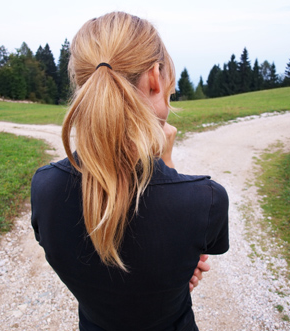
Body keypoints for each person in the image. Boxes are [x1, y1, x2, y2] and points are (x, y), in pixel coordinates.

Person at [31, 11, 229, 331]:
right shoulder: (205, 199)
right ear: (154, 77)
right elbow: (190, 251)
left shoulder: (46, 187)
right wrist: (164, 161)